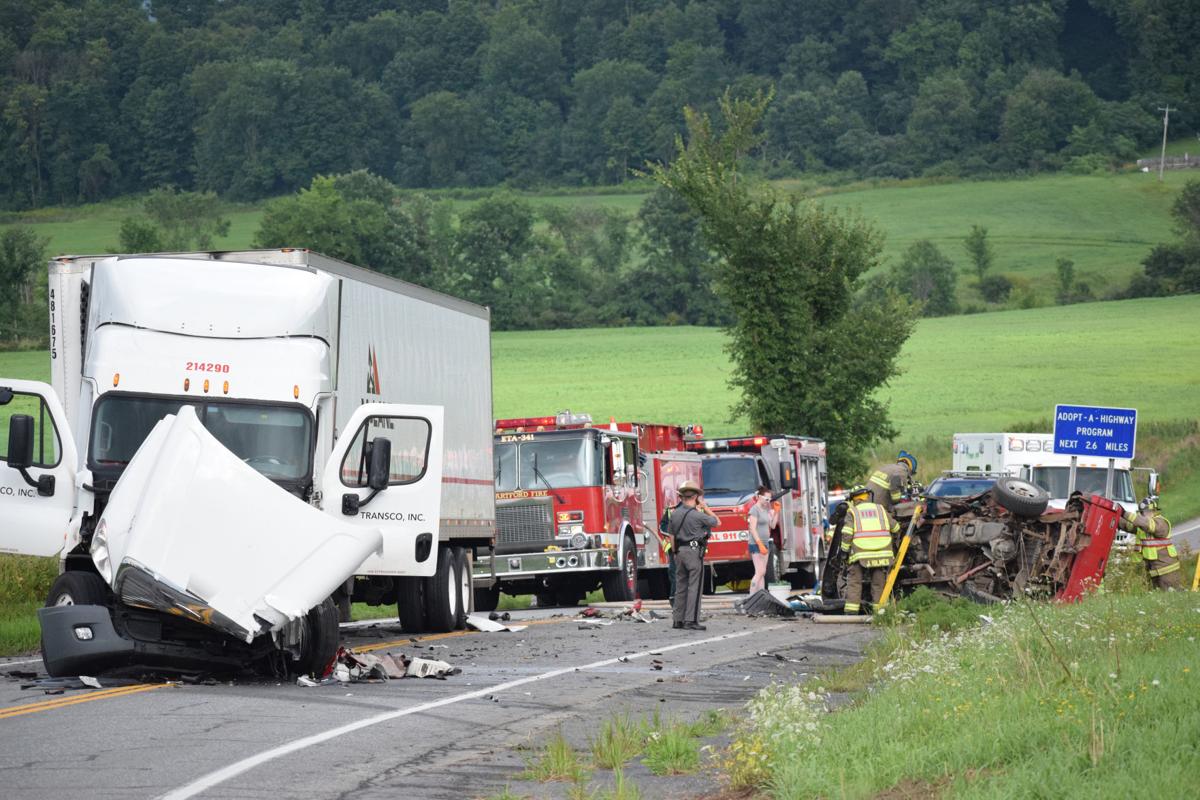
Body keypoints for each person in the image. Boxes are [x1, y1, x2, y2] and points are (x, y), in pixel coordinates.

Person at [840, 484, 900, 615]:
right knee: (878, 582)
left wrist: (844, 552)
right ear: (867, 497)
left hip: (860, 553)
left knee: (854, 581)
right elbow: (895, 528)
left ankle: (851, 612)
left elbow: (847, 534)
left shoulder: (853, 512)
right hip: (882, 553)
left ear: (854, 499)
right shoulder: (880, 509)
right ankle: (880, 612)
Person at [668, 479, 719, 630]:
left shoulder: (674, 514)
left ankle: (678, 620)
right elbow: (717, 522)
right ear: (695, 497)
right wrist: (706, 508)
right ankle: (691, 620)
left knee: (680, 586)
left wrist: (675, 552)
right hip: (694, 552)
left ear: (682, 497)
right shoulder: (698, 516)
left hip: (679, 552)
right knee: (694, 587)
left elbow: (671, 536)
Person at [1118, 495, 1182, 589]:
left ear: (1153, 511)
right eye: (1142, 513)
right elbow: (1127, 525)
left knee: (1171, 595)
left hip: (1167, 570)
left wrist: (1125, 513)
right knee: (1158, 597)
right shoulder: (1142, 526)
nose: (1143, 515)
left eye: (1146, 512)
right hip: (1154, 570)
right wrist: (1114, 516)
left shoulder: (1161, 523)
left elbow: (1147, 525)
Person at [747, 485, 779, 595]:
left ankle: (761, 595)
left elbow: (773, 525)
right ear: (759, 497)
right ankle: (751, 596)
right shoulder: (754, 510)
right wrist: (759, 543)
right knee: (759, 571)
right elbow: (752, 528)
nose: (768, 501)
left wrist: (776, 512)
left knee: (762, 572)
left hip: (765, 543)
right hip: (756, 543)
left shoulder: (766, 510)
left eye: (769, 499)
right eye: (766, 499)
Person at [658, 497, 678, 606]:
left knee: (692, 575)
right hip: (674, 548)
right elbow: (662, 527)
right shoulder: (671, 511)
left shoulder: (698, 510)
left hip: (692, 548)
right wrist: (672, 535)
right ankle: (674, 599)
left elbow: (706, 529)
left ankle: (691, 601)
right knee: (674, 573)